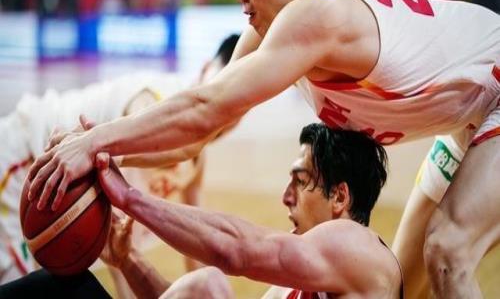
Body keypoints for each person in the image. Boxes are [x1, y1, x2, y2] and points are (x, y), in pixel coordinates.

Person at [28, 0, 500, 298]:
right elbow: (198, 135)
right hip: (467, 114)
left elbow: (206, 107)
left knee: (447, 251)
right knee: (406, 285)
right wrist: (104, 159)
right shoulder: (273, 26)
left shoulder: (321, 15)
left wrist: (94, 142)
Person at [0, 124, 402, 298]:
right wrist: (128, 261)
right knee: (66, 288)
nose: (285, 196)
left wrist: (129, 197)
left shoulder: (360, 249)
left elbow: (236, 250)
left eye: (300, 180)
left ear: (340, 197)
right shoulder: (293, 287)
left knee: (208, 284)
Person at [0, 33, 239, 284]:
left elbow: (196, 240)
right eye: (218, 94)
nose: (224, 117)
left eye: (234, 111)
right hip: (22, 160)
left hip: (49, 189)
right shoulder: (157, 99)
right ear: (204, 68)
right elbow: (114, 223)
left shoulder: (194, 155)